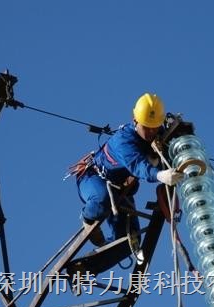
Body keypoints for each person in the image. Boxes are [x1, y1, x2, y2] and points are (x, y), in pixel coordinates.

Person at [68, 93, 183, 250]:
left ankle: (88, 265)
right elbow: (138, 165)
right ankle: (88, 218)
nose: (151, 132)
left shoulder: (156, 135)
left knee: (130, 243)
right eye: (147, 127)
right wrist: (160, 174)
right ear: (135, 121)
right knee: (102, 200)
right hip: (93, 178)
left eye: (155, 127)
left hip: (119, 188)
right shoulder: (123, 141)